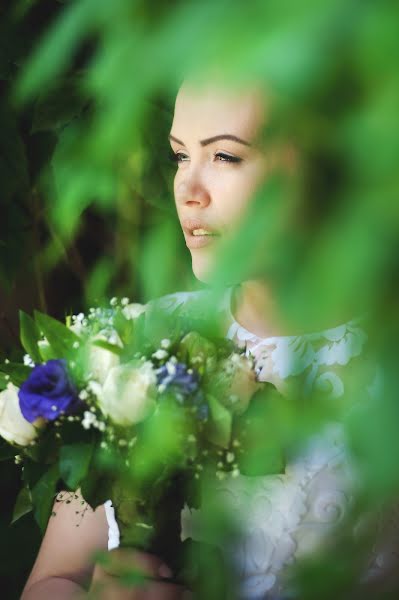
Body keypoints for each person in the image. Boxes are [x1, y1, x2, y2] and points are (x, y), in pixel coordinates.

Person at [21, 77, 375, 600]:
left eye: (226, 157)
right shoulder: (137, 340)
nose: (188, 190)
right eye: (180, 156)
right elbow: (52, 581)